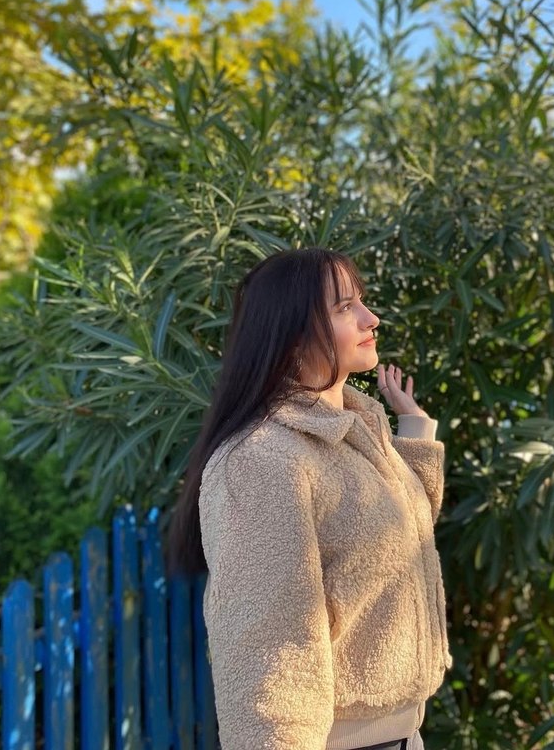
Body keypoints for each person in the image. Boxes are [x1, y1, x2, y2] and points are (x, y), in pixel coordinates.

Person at [170, 247, 451, 750]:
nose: (371, 318)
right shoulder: (261, 460)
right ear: (293, 335)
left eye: (361, 301)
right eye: (345, 308)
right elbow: (269, 650)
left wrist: (414, 429)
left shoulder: (355, 430)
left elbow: (405, 539)